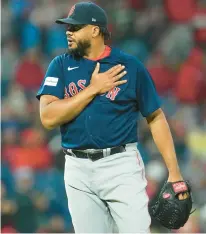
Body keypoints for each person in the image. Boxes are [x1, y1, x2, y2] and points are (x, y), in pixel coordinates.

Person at [36, 2, 187, 233]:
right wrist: (93, 89)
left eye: (75, 28)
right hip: (77, 167)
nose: (68, 32)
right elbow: (47, 117)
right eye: (68, 28)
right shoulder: (60, 65)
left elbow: (156, 118)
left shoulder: (129, 66)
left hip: (120, 165)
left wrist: (175, 173)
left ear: (95, 30)